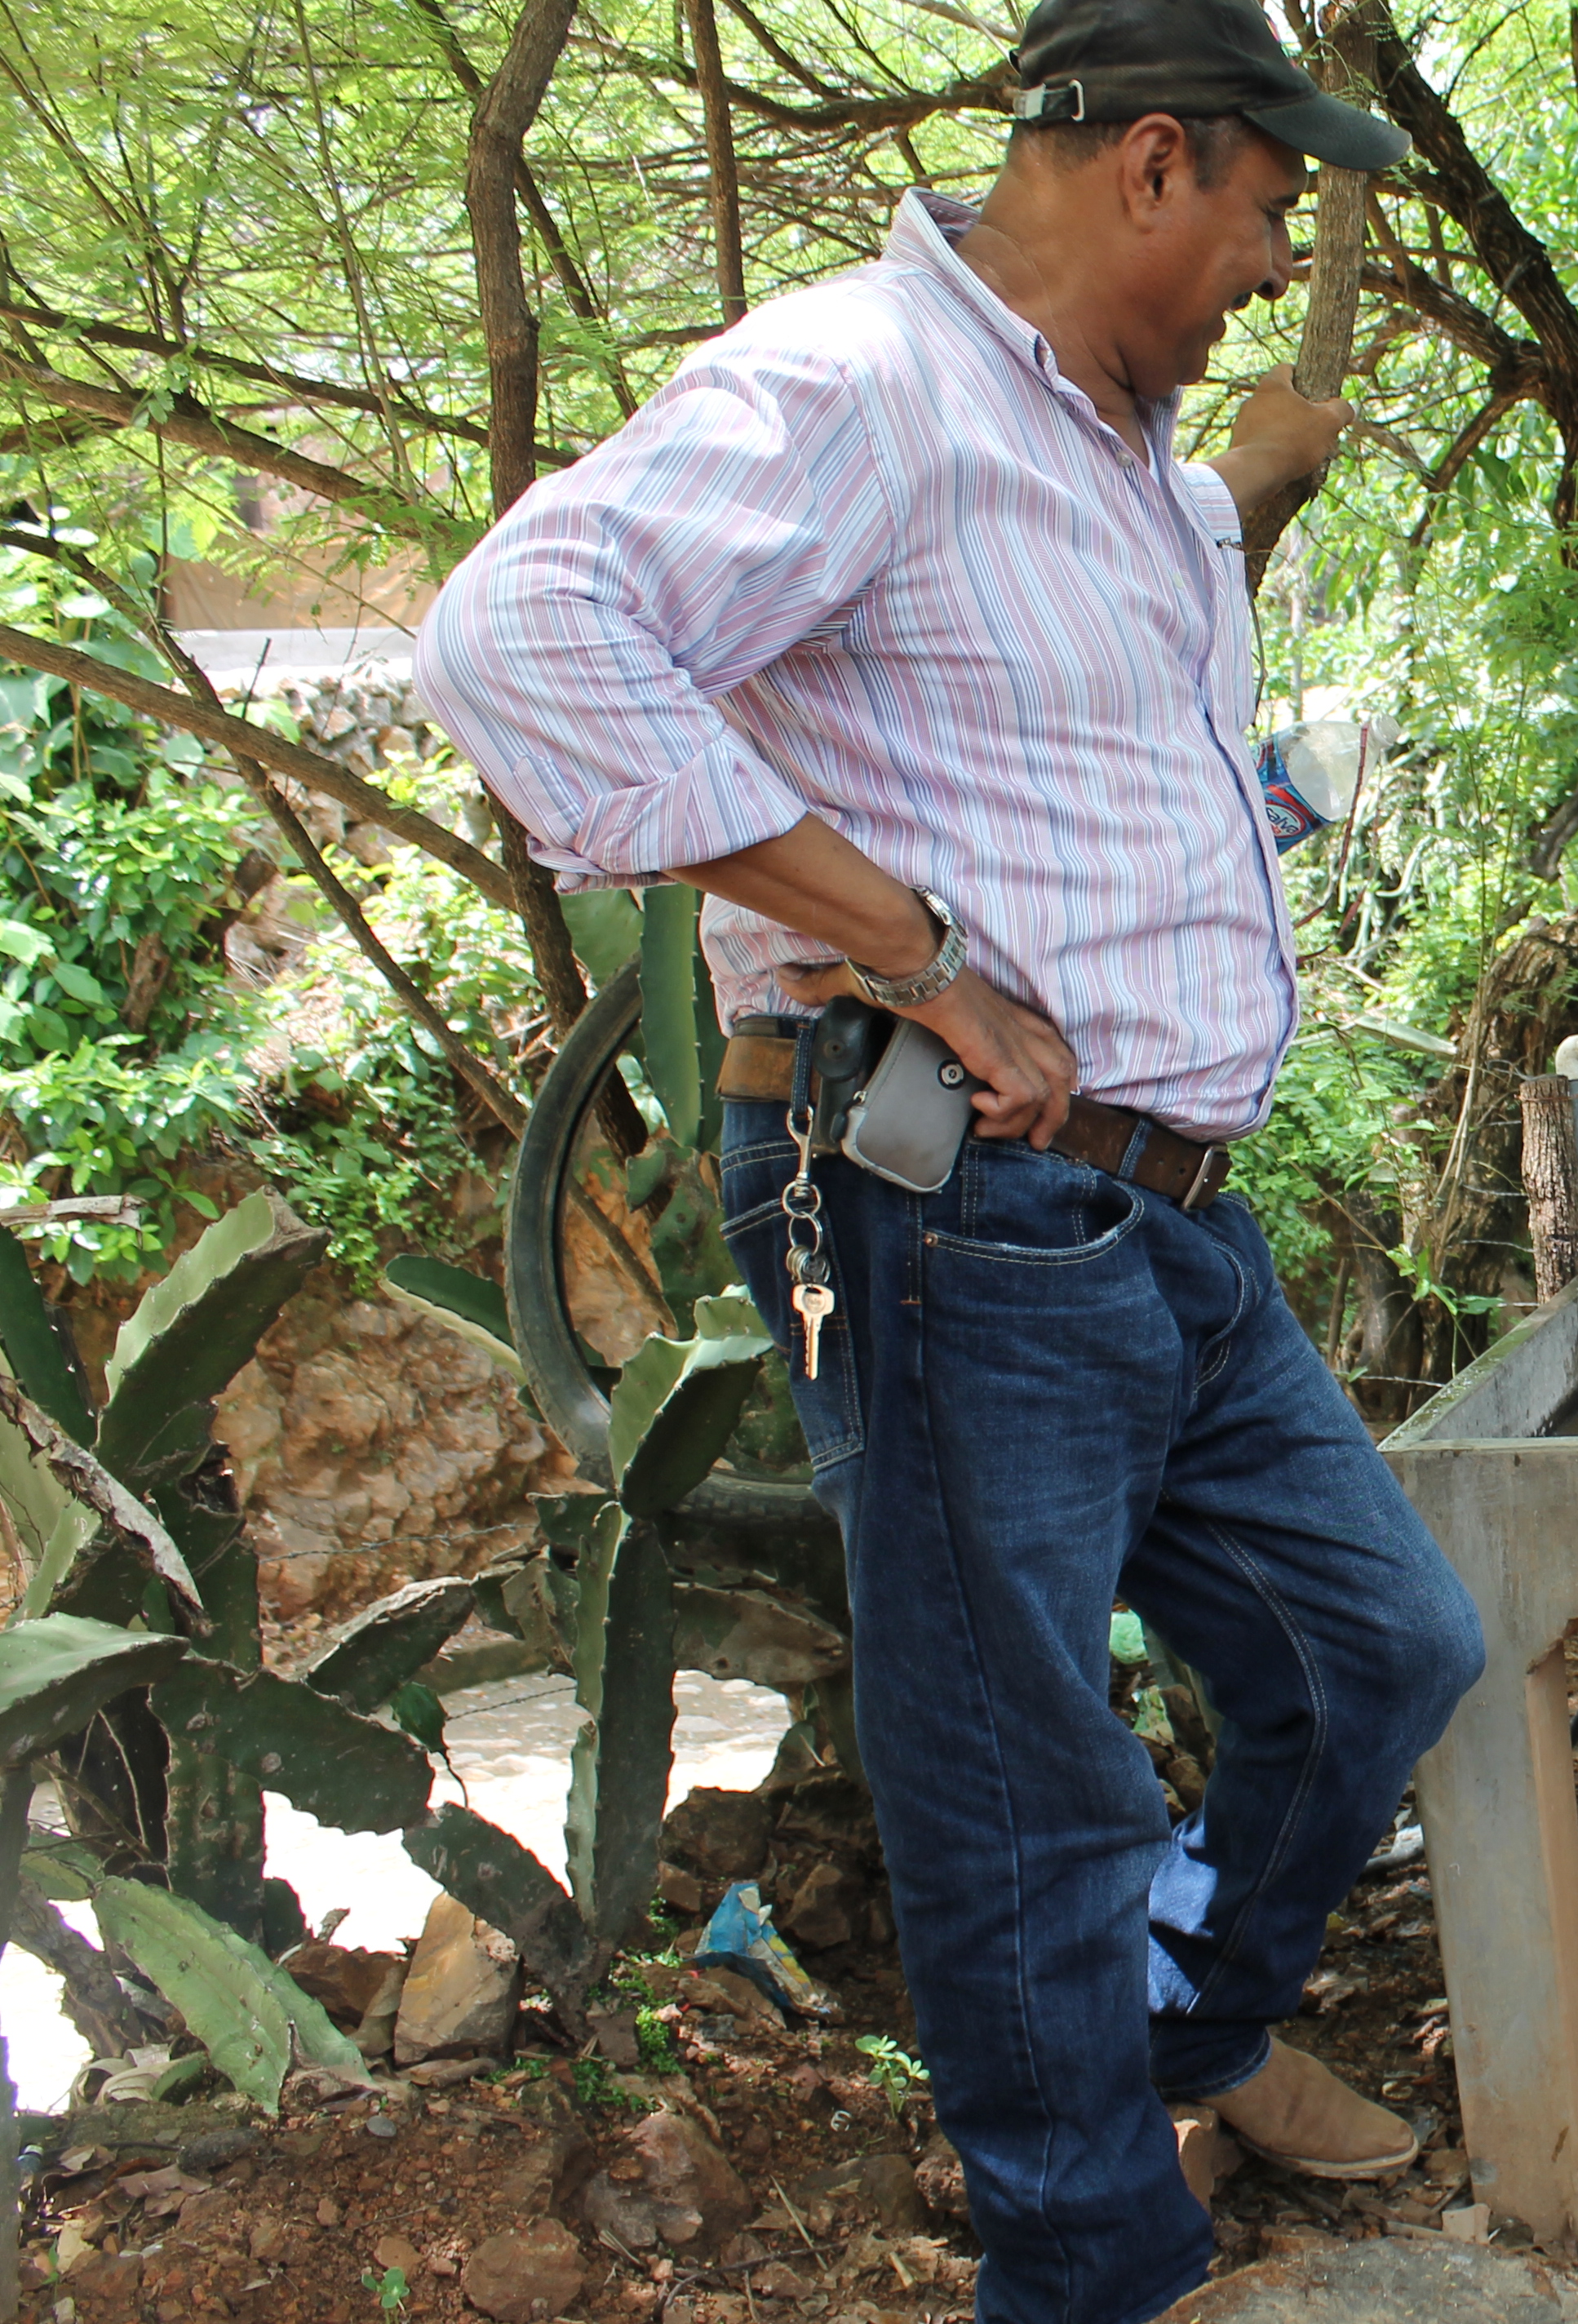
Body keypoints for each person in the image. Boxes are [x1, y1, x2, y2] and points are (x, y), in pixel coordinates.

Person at [415, 3, 1484, 2316]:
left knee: (1374, 1650)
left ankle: (1175, 2039)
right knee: (1028, 1783)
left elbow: (1071, 686)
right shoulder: (861, 382)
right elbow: (517, 636)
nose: (1263, 275)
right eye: (1266, 222)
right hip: (946, 1198)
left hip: (1164, 1212)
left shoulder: (1116, 454)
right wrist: (909, 944)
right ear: (1154, 169)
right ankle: (1089, 2256)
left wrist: (1248, 502)